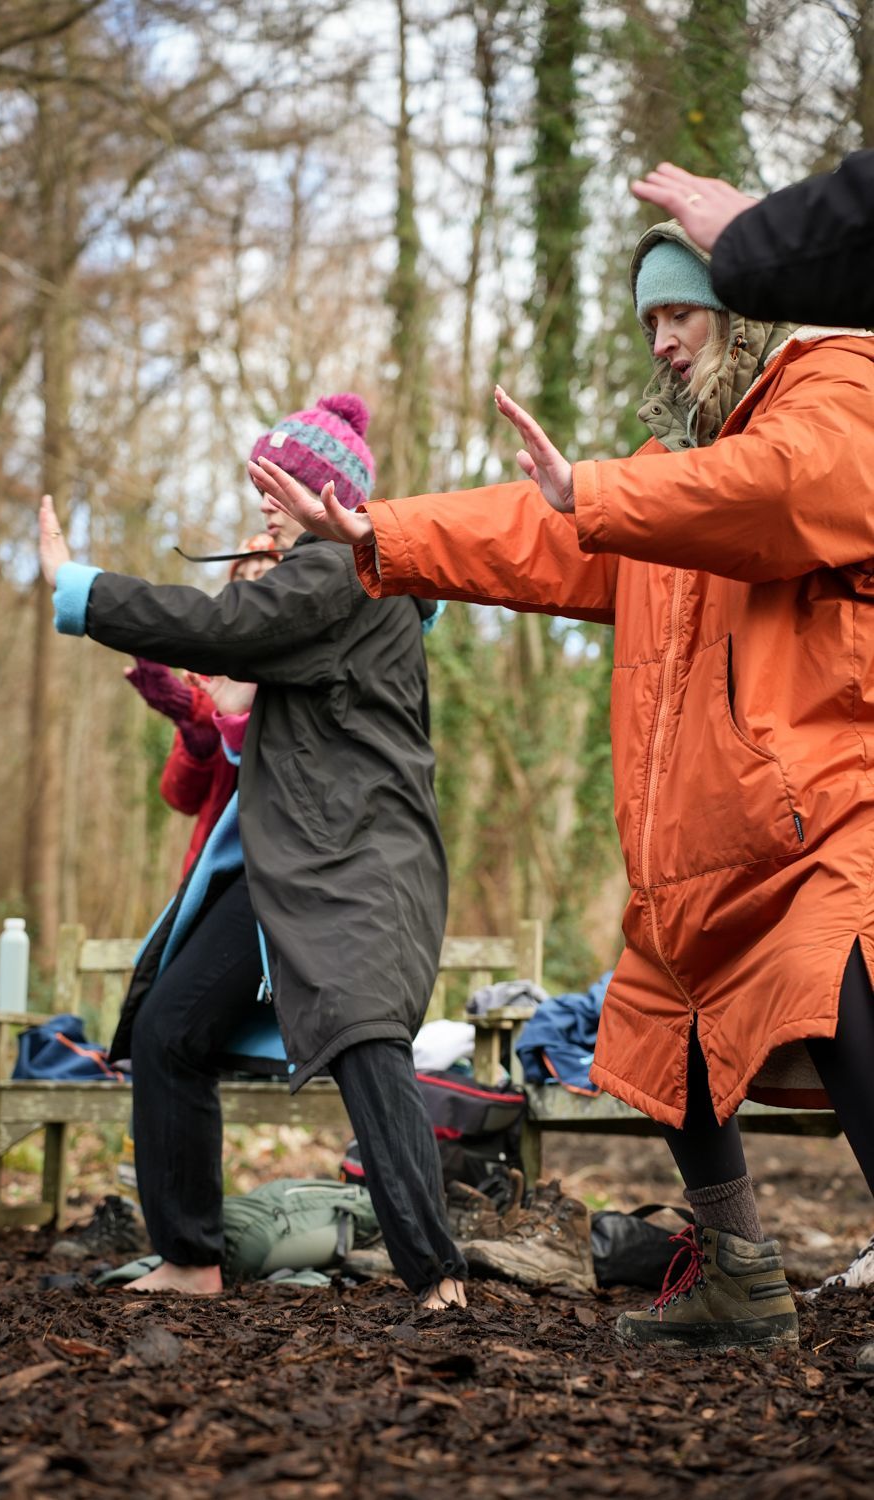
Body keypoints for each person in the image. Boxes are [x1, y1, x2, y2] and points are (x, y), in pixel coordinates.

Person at [250, 227, 874, 1354]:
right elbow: (538, 532)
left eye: (681, 313)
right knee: (662, 1016)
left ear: (746, 311)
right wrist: (377, 533)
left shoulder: (833, 388)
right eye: (647, 323)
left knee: (829, 980)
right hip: (702, 840)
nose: (663, 339)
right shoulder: (668, 473)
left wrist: (598, 488)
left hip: (825, 814)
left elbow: (783, 490)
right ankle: (739, 1274)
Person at [37, 393, 467, 1310]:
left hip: (357, 863)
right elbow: (226, 688)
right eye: (258, 483)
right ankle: (191, 1258)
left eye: (278, 482)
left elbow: (218, 631)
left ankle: (438, 1277)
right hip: (288, 866)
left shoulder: (345, 576)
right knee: (171, 1030)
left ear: (327, 494)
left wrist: (82, 588)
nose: (263, 500)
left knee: (366, 1046)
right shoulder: (322, 577)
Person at [125, 535, 279, 878]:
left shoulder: (299, 659)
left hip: (281, 863)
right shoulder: (211, 671)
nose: (255, 583)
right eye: (245, 575)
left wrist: (190, 705)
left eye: (266, 572)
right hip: (218, 868)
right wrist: (196, 738)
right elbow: (180, 797)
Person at [631, 153, 874, 327]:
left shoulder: (818, 385)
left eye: (681, 315)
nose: (660, 347)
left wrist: (759, 236)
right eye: (653, 324)